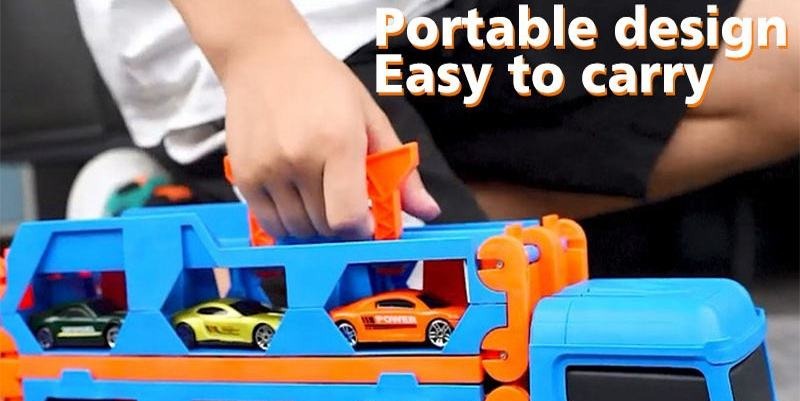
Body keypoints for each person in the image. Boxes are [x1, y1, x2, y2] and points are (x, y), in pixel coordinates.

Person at [74, 0, 798, 236]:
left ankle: (243, 209)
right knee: (451, 363)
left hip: (448, 15)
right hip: (260, 32)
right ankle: (189, 211)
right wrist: (255, 47)